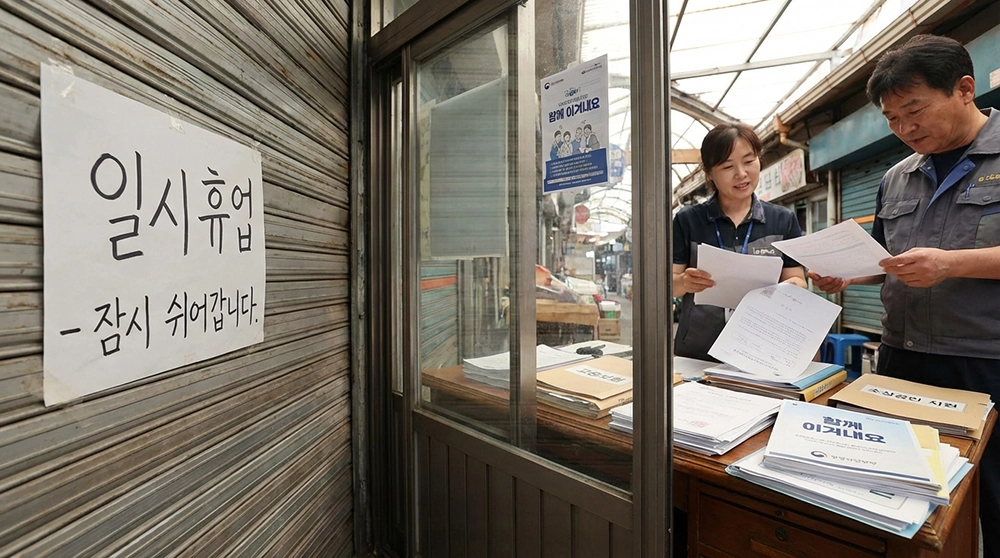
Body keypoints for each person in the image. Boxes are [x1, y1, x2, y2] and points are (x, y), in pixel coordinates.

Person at [808, 34, 1000, 557]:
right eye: (892, 119)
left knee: (994, 500)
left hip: (986, 365)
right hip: (902, 360)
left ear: (965, 89)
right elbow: (886, 260)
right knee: (896, 497)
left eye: (914, 111)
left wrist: (952, 264)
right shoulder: (896, 177)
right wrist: (849, 277)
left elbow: (942, 264)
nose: (905, 129)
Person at [672, 122, 807, 361]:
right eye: (727, 166)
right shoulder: (688, 220)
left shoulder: (782, 220)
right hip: (699, 351)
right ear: (709, 173)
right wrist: (685, 281)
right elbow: (669, 285)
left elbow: (798, 280)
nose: (741, 174)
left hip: (762, 350)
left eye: (749, 161)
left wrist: (787, 289)